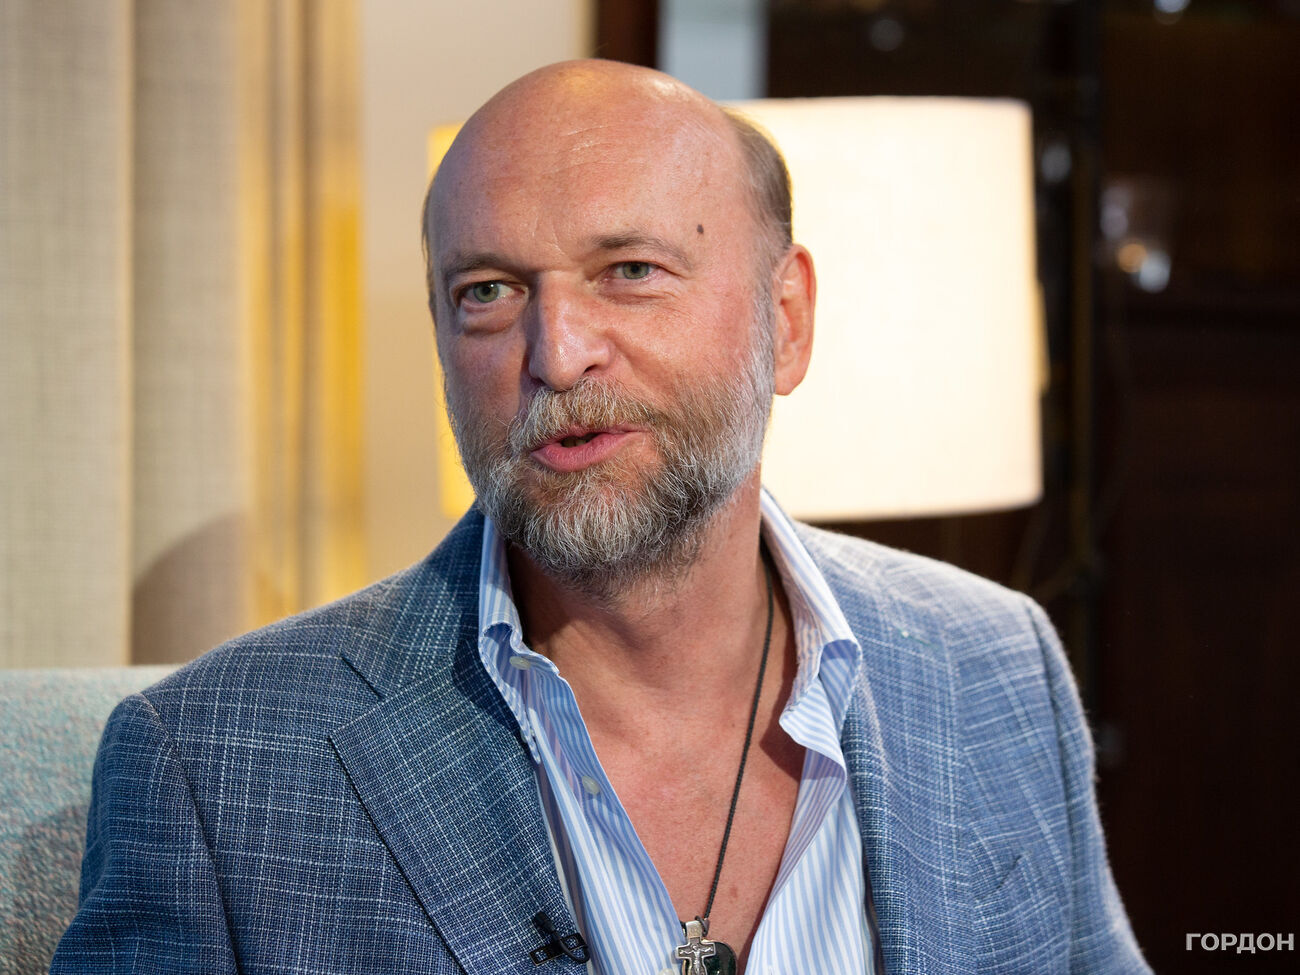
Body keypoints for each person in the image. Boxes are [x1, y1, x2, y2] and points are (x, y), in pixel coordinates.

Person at [53, 60, 1149, 974]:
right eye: (488, 291)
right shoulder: (212, 769)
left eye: (629, 270)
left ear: (786, 319)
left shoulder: (996, 665)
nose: (558, 352)